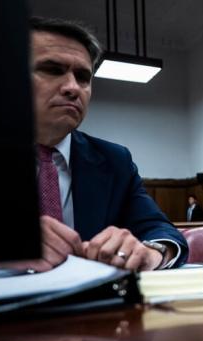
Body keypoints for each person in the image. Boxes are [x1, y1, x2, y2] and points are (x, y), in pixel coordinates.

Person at [23, 17, 187, 272]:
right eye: (52, 69)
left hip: (94, 306)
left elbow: (161, 231)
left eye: (83, 77)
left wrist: (151, 252)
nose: (72, 88)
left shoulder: (115, 160)